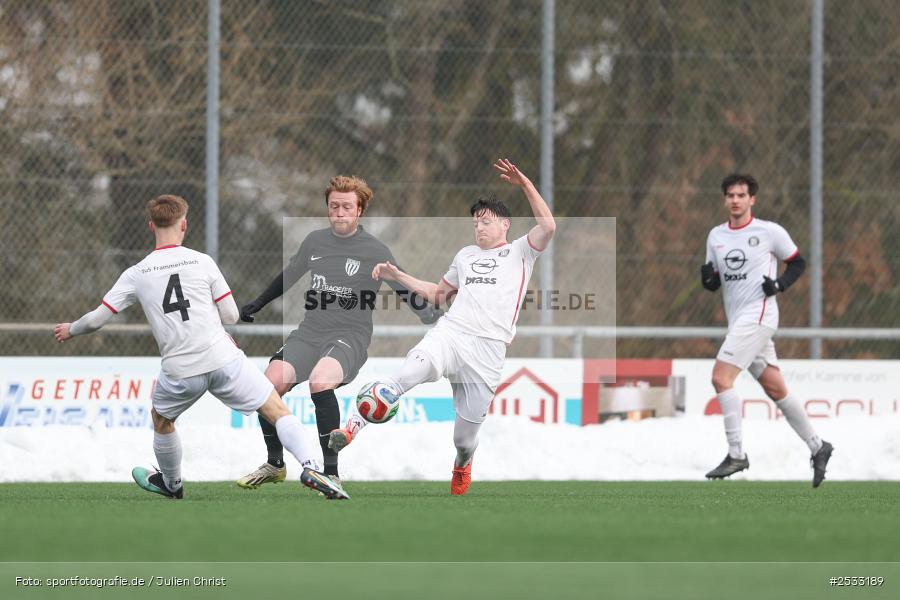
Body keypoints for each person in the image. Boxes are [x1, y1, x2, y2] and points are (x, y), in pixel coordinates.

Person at [53, 195, 349, 500]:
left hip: (180, 370)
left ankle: (171, 483)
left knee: (162, 419)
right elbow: (231, 316)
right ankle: (312, 466)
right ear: (184, 224)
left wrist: (70, 329)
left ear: (150, 226)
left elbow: (97, 319)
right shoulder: (202, 261)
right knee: (276, 408)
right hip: (223, 358)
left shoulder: (137, 273)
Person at [328, 158, 556, 495]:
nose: (479, 228)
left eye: (486, 222)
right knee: (408, 374)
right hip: (451, 334)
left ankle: (463, 463)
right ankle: (349, 429)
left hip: (488, 351)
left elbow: (549, 226)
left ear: (505, 224)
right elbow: (438, 295)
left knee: (463, 438)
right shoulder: (465, 256)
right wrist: (397, 275)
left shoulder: (521, 252)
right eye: (475, 223)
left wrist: (525, 185)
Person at [235, 175, 441, 489]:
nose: (339, 213)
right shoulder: (314, 242)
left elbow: (399, 284)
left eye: (346, 207)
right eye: (334, 207)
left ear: (359, 211)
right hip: (309, 334)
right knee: (267, 386)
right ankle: (275, 464)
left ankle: (330, 473)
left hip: (349, 338)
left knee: (320, 381)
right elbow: (289, 275)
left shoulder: (374, 249)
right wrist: (258, 303)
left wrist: (424, 311)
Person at [701, 173, 833, 487]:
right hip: (738, 320)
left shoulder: (769, 231)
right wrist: (708, 279)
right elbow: (712, 278)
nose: (735, 200)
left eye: (741, 195)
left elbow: (798, 262)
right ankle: (818, 446)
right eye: (730, 195)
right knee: (775, 388)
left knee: (721, 378)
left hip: (759, 315)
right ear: (725, 200)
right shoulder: (716, 236)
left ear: (752, 200)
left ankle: (736, 454)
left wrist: (779, 285)